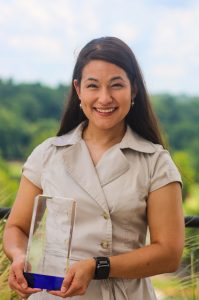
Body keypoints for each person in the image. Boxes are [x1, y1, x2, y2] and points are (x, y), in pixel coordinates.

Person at [3, 36, 184, 300]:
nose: (104, 98)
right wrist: (19, 257)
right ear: (78, 90)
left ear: (133, 89)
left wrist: (98, 267)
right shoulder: (47, 154)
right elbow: (16, 228)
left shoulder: (155, 162)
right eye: (93, 86)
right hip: (52, 293)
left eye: (116, 85)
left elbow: (169, 254)